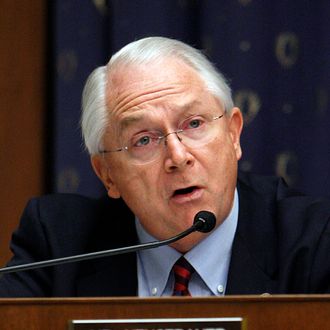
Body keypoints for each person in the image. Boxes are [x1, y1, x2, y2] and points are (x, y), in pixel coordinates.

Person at [0, 36, 329, 297]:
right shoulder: (57, 247)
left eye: (194, 123)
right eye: (144, 140)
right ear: (107, 175)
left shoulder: (314, 242)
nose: (178, 156)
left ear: (233, 134)